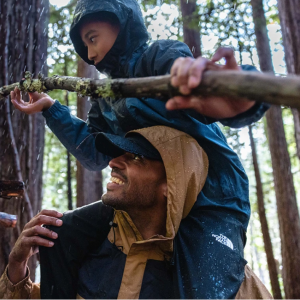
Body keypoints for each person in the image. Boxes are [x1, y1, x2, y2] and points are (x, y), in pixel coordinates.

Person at [7, 0, 270, 297]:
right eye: (85, 46)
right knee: (56, 232)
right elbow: (93, 153)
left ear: (122, 22)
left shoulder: (159, 56)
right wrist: (52, 110)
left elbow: (198, 83)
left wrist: (233, 93)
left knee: (204, 286)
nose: (91, 55)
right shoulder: (104, 98)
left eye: (93, 38)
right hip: (144, 194)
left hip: (212, 198)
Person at [0, 126, 272, 299]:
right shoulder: (85, 243)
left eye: (136, 158)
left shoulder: (220, 276)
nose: (114, 162)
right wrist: (16, 270)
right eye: (120, 154)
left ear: (171, 185)